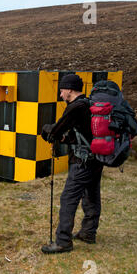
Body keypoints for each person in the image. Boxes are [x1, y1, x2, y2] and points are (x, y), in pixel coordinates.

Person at [41, 74, 104, 254]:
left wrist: (46, 130)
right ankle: (88, 232)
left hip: (82, 162)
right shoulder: (89, 104)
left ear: (69, 89)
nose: (61, 95)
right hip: (96, 159)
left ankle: (63, 241)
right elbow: (81, 135)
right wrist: (64, 138)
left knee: (68, 198)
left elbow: (56, 129)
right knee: (91, 195)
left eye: (62, 91)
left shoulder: (75, 107)